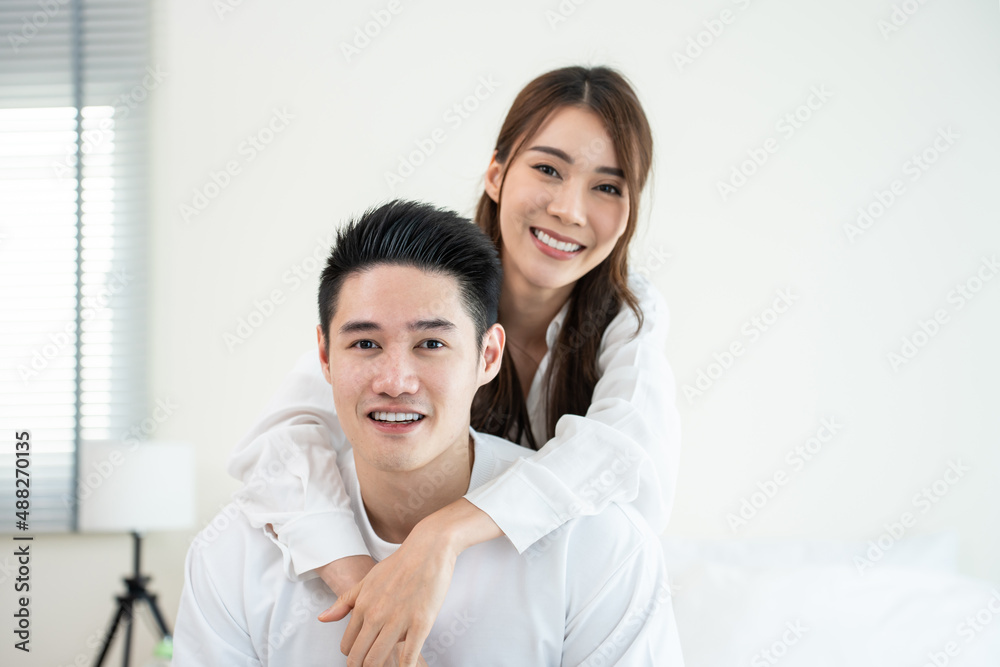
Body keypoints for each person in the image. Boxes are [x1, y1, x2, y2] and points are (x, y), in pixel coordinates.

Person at [227, 65, 681, 666]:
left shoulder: (629, 314)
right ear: (496, 174)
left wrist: (442, 537)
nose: (570, 209)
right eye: (548, 169)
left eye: (608, 186)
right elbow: (277, 448)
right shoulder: (428, 287)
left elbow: (619, 461)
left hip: (556, 606)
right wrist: (370, 588)